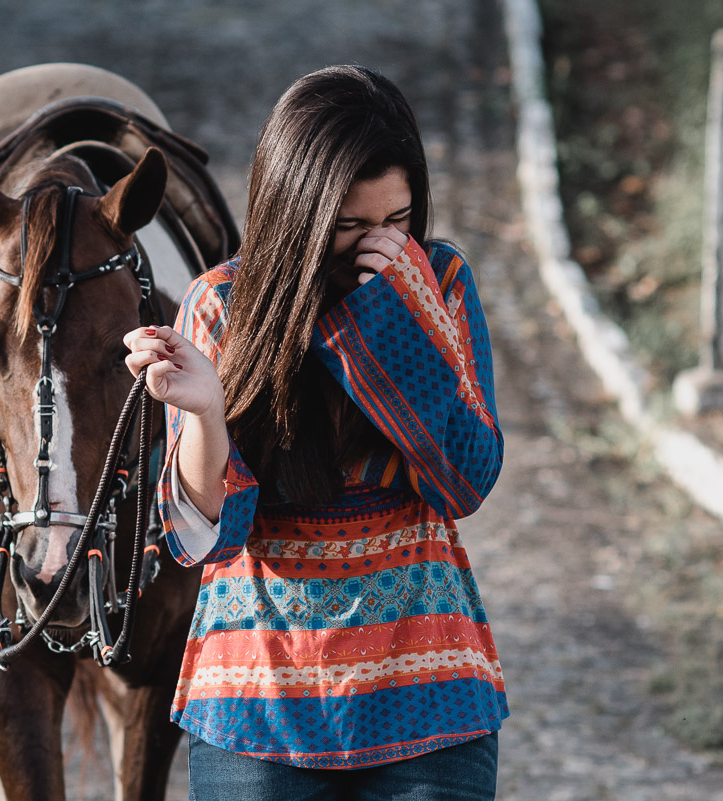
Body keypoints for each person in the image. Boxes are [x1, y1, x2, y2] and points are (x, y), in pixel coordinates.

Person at [124, 65, 507, 801]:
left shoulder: (441, 280)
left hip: (431, 692)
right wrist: (204, 409)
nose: (382, 245)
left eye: (398, 221)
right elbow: (206, 537)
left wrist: (395, 321)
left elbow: (464, 478)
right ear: (297, 213)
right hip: (257, 703)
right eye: (353, 227)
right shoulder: (220, 305)